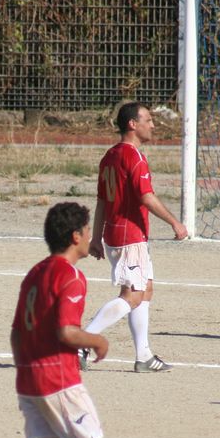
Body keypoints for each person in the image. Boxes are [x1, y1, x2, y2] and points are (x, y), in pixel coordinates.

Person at [11, 202, 110, 438]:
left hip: (28, 377)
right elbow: (66, 332)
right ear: (75, 236)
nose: (90, 236)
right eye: (88, 230)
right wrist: (98, 340)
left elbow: (16, 332)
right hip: (58, 378)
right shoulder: (70, 276)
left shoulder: (35, 272)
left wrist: (25, 367)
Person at [81, 101, 188, 373]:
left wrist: (96, 238)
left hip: (119, 234)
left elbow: (102, 201)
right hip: (130, 236)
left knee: (145, 290)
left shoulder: (110, 156)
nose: (153, 125)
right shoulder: (134, 157)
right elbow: (146, 197)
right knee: (132, 295)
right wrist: (175, 222)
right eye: (148, 120)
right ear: (132, 124)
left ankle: (144, 356)